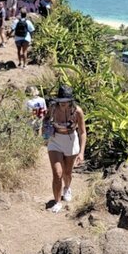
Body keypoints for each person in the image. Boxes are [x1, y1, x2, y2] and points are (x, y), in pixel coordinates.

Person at [43, 85, 87, 213]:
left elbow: (83, 132)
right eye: (61, 101)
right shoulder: (52, 108)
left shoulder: (77, 111)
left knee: (67, 173)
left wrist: (81, 152)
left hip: (71, 141)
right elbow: (45, 120)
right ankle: (57, 202)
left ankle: (67, 187)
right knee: (57, 173)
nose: (63, 104)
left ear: (70, 101)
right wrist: (45, 132)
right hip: (55, 141)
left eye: (66, 101)